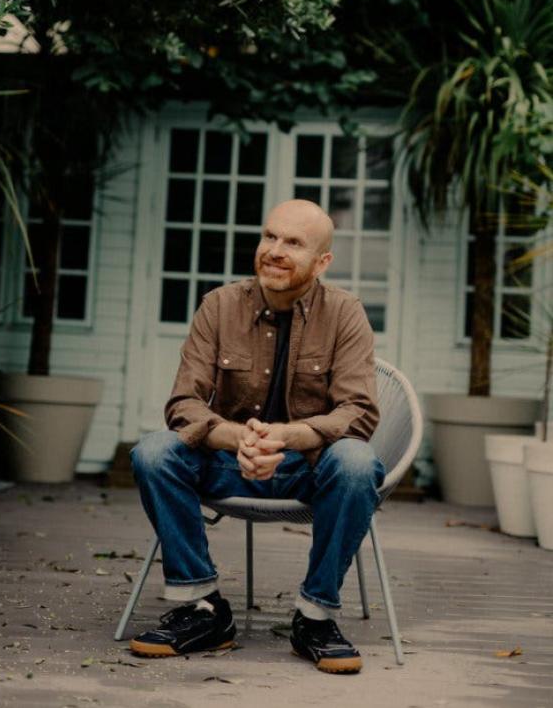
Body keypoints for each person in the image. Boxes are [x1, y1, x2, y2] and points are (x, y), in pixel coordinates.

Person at [130, 199, 385, 674]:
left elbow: (360, 412)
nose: (275, 250)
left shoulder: (346, 313)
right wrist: (234, 438)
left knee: (356, 462)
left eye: (293, 242)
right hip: (229, 463)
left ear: (322, 261)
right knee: (153, 451)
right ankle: (202, 608)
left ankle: (315, 617)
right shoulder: (220, 305)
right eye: (270, 237)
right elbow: (182, 404)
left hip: (307, 471)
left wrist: (287, 437)